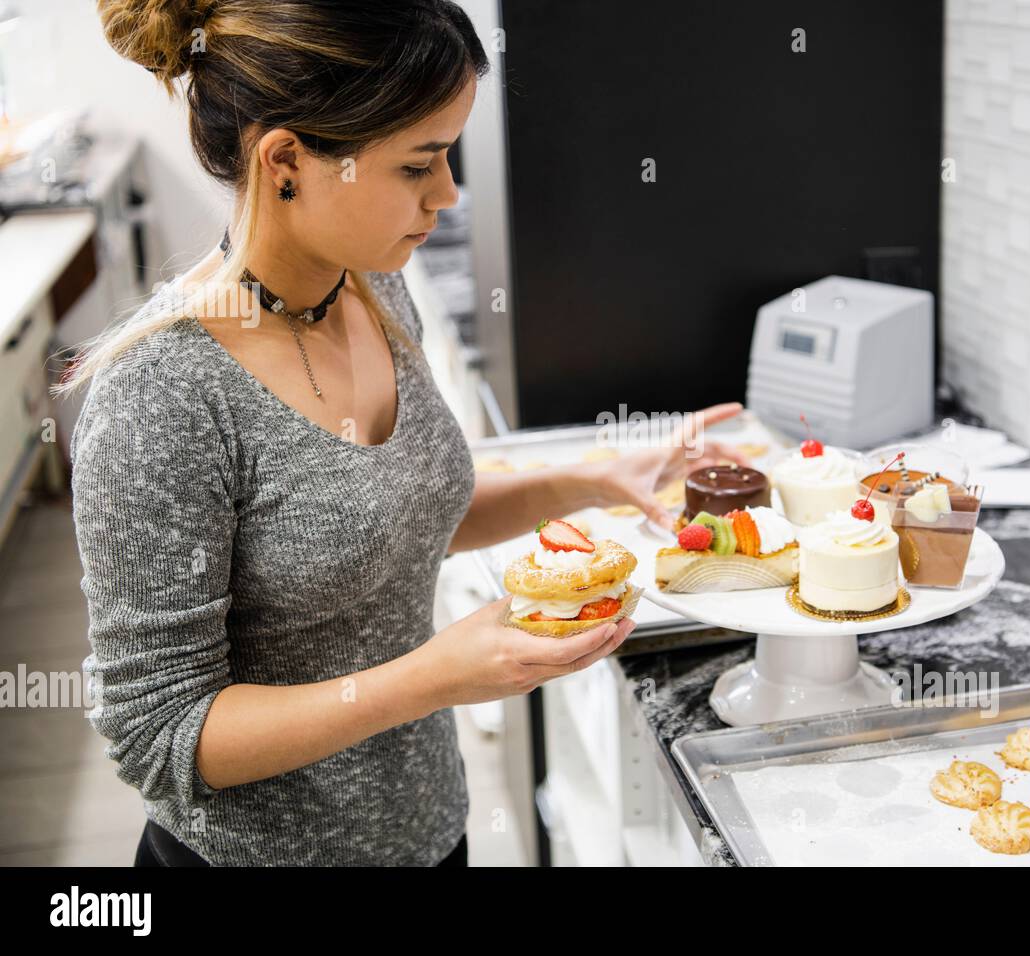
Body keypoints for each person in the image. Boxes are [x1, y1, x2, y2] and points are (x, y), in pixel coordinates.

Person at [68, 0, 748, 865]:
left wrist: (599, 476)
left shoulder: (373, 290)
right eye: (418, 165)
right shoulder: (161, 397)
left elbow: (394, 519)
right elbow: (158, 735)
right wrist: (436, 676)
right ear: (286, 164)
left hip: (428, 833)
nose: (449, 194)